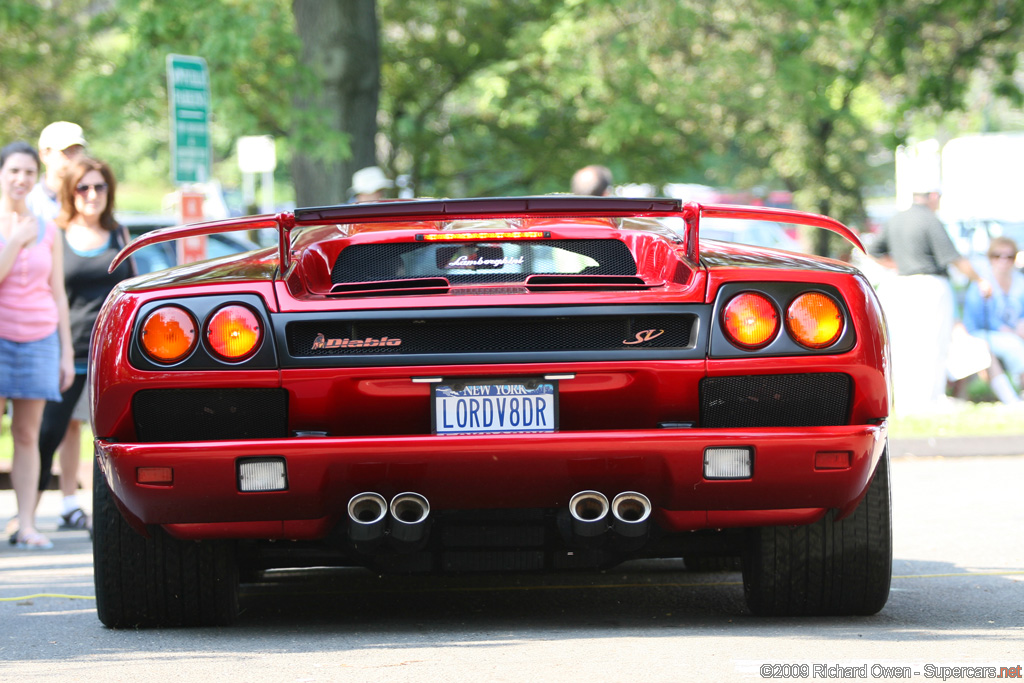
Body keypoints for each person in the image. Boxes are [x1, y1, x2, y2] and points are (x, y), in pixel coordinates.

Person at [36, 158, 136, 534]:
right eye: (84, 187)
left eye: (100, 187)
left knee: (108, 436)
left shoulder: (119, 233)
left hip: (110, 357)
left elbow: (131, 289)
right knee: (48, 433)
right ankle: (28, 515)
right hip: (67, 352)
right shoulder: (56, 233)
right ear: (71, 192)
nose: (92, 195)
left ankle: (108, 516)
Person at [0, 141, 74, 550]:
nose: (21, 179)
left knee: (27, 434)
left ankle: (26, 524)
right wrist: (14, 242)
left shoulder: (49, 229)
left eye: (28, 172)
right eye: (13, 170)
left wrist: (64, 352)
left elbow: (58, 292)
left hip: (41, 339)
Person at [868, 184, 991, 414]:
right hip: (930, 286)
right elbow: (953, 257)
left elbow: (873, 249)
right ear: (933, 196)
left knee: (906, 345)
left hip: (901, 285)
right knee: (933, 343)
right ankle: (929, 401)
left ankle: (906, 404)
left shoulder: (896, 219)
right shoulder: (929, 220)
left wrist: (897, 265)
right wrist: (979, 280)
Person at [962, 236, 1024, 400]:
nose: (1003, 260)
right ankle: (1012, 400)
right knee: (1013, 345)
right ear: (990, 258)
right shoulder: (982, 283)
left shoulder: (1020, 282)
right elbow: (974, 320)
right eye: (998, 255)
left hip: (1015, 333)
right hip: (982, 334)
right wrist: (1004, 329)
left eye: (1009, 256)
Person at [26, 122, 87, 223]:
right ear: (44, 155)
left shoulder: (90, 195)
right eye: (66, 151)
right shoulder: (29, 201)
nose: (73, 157)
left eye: (77, 150)